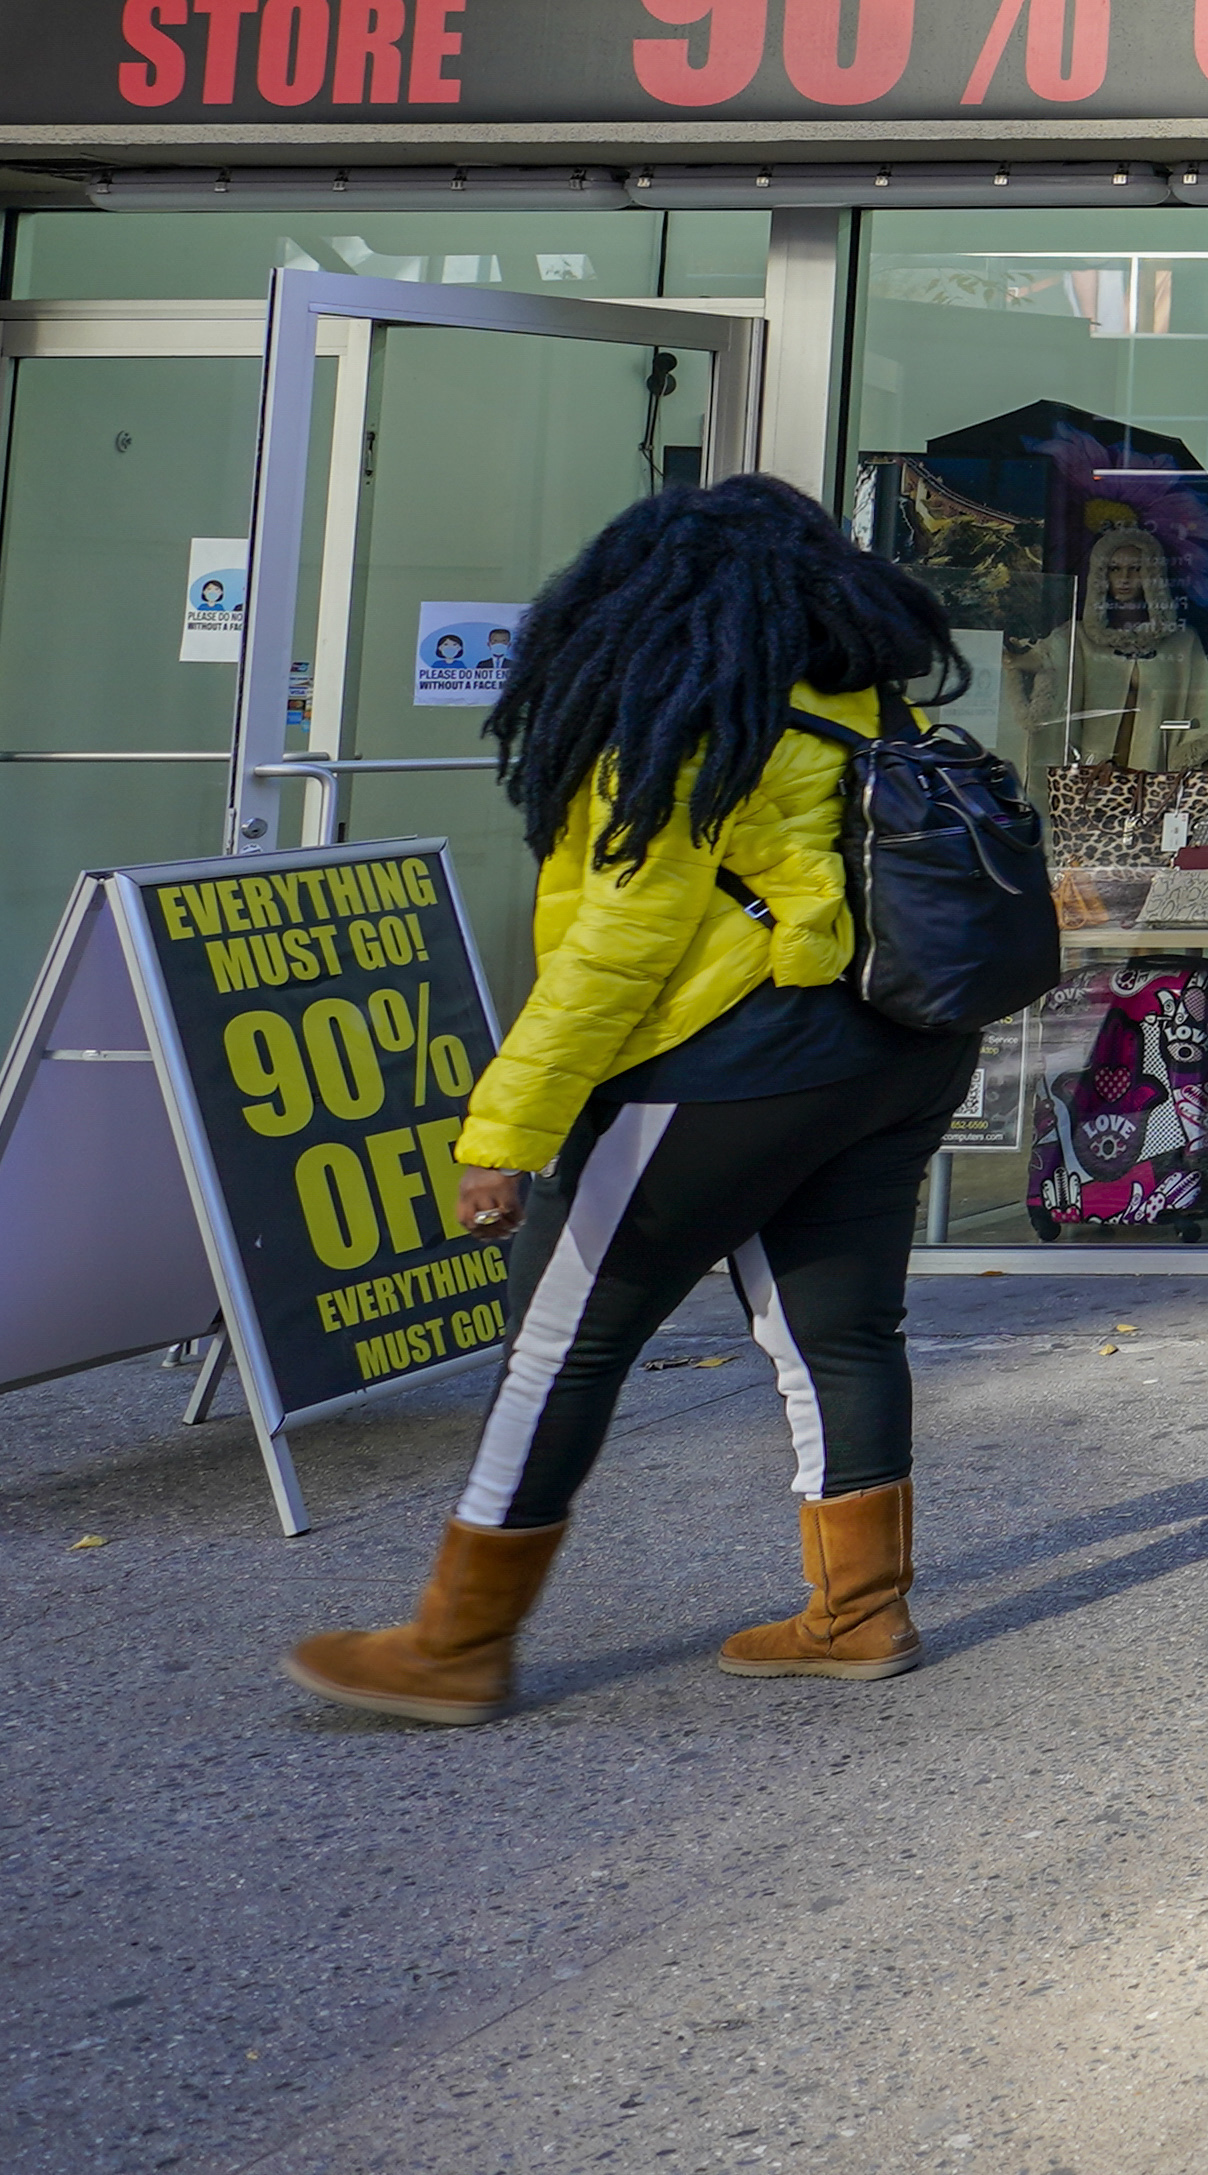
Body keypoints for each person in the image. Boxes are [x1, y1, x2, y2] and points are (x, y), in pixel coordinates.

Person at [285, 478, 980, 1725]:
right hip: (891, 1049)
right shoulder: (859, 698)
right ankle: (859, 1612)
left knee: (566, 1340)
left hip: (726, 1065)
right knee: (838, 1333)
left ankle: (454, 1646)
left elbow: (617, 954)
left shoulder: (686, 720)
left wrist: (504, 1134)